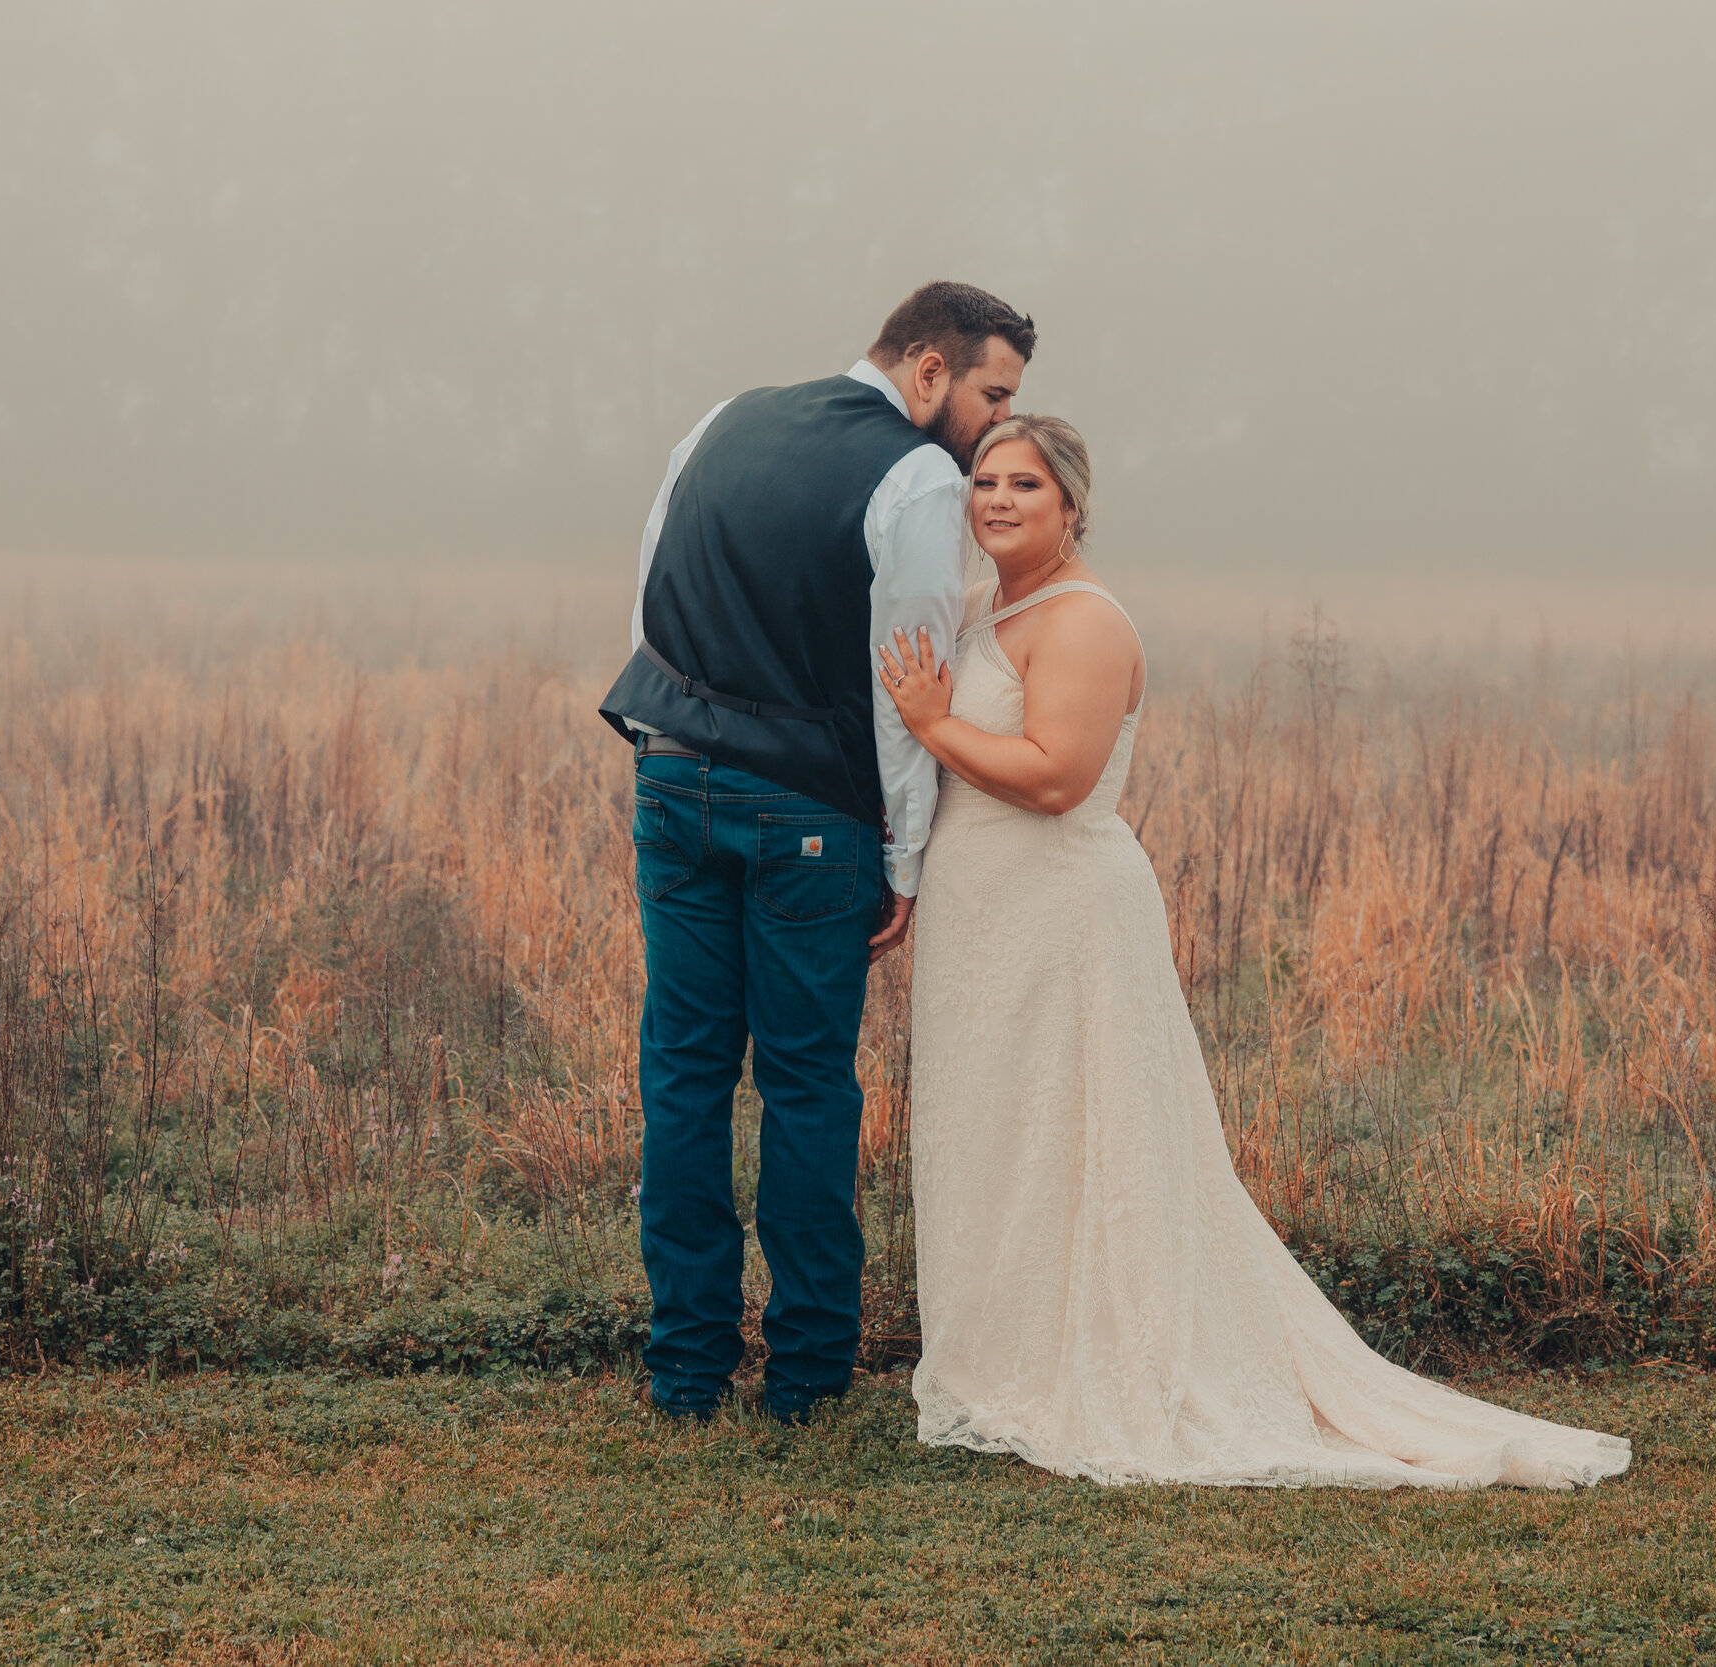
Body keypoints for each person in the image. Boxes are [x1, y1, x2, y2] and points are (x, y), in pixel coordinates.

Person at [875, 415, 1632, 1488]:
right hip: (980, 917)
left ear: (1073, 505)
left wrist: (929, 720)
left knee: (1086, 1130)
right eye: (984, 482)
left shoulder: (1083, 622)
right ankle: (1009, 1358)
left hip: (1061, 911)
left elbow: (1055, 777)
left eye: (1024, 485)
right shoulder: (983, 606)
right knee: (1001, 1129)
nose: (995, 500)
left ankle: (1118, 1361)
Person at [600, 280, 1035, 1423]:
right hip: (807, 811)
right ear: (929, 371)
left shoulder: (723, 416)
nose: (996, 421)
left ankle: (685, 1368)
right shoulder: (918, 475)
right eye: (992, 391)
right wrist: (905, 854)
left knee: (682, 1075)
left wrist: (676, 740)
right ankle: (803, 1373)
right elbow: (911, 678)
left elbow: (650, 593)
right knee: (803, 1083)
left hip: (671, 777)